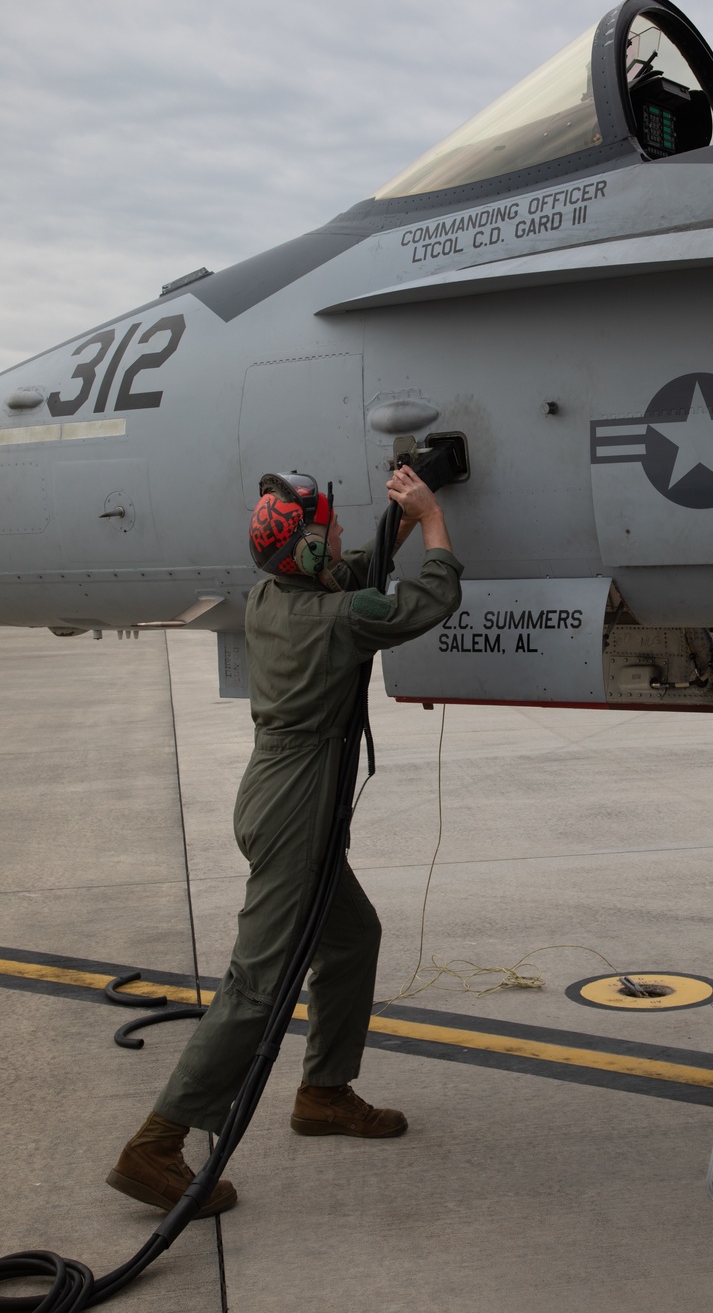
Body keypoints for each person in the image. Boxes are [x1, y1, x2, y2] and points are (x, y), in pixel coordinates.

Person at [106, 464, 462, 1217]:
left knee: (352, 936)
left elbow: (351, 569)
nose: (336, 537)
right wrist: (431, 522)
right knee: (257, 984)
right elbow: (428, 600)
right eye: (326, 531)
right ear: (303, 552)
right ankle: (157, 1144)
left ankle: (324, 1092)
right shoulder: (335, 619)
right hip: (297, 808)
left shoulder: (273, 594)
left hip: (274, 793)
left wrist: (402, 507)